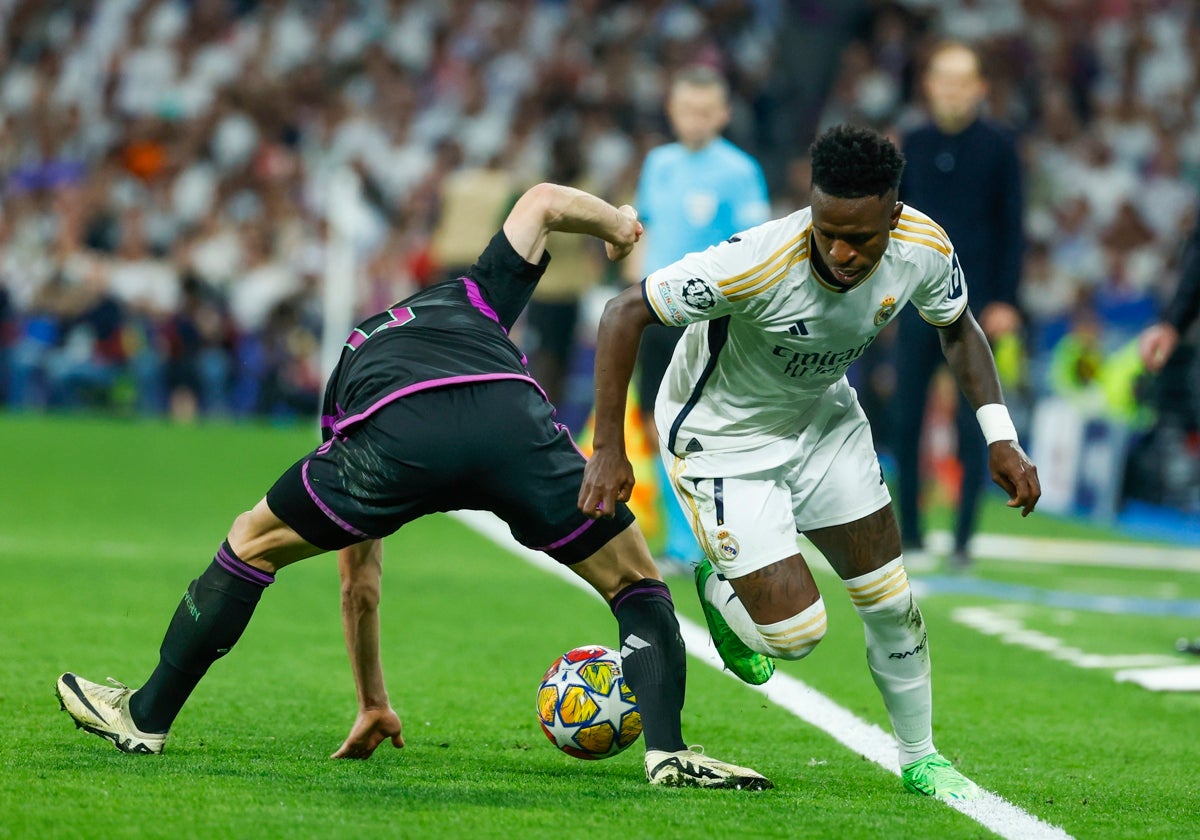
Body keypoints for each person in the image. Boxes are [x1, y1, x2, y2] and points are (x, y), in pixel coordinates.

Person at [55, 183, 770, 791]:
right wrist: (617, 225)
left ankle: (146, 717)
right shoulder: (473, 295)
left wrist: (373, 699)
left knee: (252, 541)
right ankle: (670, 752)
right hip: (509, 421)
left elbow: (358, 580)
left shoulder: (354, 354)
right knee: (636, 581)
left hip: (395, 437)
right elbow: (545, 202)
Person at [579, 124, 1040, 802]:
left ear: (894, 213)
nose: (843, 251)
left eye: (862, 237)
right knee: (795, 636)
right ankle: (717, 584)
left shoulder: (923, 246)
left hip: (823, 422)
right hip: (722, 439)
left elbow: (957, 328)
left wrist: (999, 434)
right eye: (829, 232)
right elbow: (623, 312)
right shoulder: (756, 262)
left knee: (891, 600)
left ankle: (921, 758)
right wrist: (611, 449)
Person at [889, 40, 1026, 569]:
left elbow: (1012, 228)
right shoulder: (912, 143)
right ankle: (915, 534)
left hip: (979, 306)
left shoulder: (998, 146)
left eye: (961, 79)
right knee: (905, 418)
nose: (950, 89)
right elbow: (891, 223)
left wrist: (1007, 301)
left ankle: (965, 537)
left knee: (980, 422)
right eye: (942, 78)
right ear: (928, 85)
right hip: (915, 300)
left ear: (980, 88)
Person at [630, 64, 770, 572]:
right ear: (672, 110)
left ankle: (705, 541)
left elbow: (753, 251)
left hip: (706, 319)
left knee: (700, 429)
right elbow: (645, 232)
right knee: (652, 421)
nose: (695, 120)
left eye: (705, 112)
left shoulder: (739, 171)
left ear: (724, 115)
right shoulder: (659, 163)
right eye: (687, 110)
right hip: (654, 313)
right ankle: (677, 535)